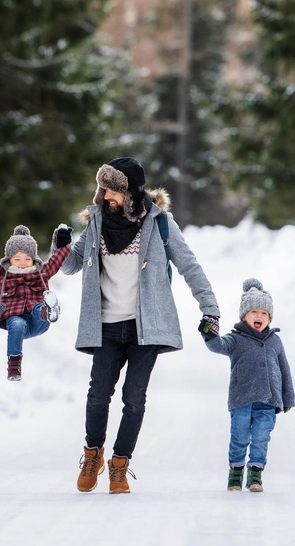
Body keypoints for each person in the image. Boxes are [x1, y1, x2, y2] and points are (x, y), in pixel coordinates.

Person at [60, 156, 221, 494]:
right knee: (98, 395)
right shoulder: (96, 222)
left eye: (112, 191)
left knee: (134, 399)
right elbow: (70, 265)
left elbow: (190, 266)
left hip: (145, 327)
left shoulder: (161, 224)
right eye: (103, 190)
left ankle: (120, 464)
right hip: (104, 324)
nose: (105, 197)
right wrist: (59, 247)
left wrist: (210, 308)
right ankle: (93, 455)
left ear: (130, 193)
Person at [200, 278, 295, 492]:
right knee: (239, 437)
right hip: (241, 399)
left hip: (268, 401)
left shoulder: (275, 341)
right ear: (244, 316)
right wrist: (208, 333)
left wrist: (288, 398)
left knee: (261, 438)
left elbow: (284, 370)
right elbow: (218, 345)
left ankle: (255, 476)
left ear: (269, 318)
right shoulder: (236, 339)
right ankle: (235, 473)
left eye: (264, 313)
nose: (259, 316)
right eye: (254, 312)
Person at [0, 222, 73, 381]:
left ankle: (48, 311)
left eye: (27, 259)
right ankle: (14, 368)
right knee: (17, 323)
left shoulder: (41, 273)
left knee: (38, 308)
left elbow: (56, 260)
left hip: (38, 322)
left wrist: (63, 243)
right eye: (17, 259)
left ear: (33, 259)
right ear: (9, 259)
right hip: (16, 322)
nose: (23, 263)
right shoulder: (2, 274)